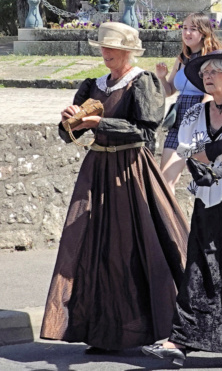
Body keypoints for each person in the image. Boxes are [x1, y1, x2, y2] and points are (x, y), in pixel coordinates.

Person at [42, 22, 188, 353]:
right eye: (103, 48)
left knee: (138, 247)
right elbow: (70, 134)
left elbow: (144, 132)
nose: (105, 53)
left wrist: (100, 123)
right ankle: (104, 332)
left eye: (112, 48)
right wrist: (71, 120)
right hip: (97, 171)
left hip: (131, 172)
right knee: (96, 249)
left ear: (127, 52)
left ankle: (167, 327)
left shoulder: (142, 81)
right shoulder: (93, 85)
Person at [142, 52, 222, 366]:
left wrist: (220, 162)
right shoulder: (195, 115)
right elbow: (192, 154)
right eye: (204, 72)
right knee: (200, 268)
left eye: (215, 71)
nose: (207, 76)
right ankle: (181, 341)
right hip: (207, 199)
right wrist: (210, 158)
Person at [155, 12, 222, 190]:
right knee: (164, 178)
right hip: (178, 119)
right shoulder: (181, 59)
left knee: (172, 179)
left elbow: (212, 91)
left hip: (199, 119)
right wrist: (162, 78)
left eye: (192, 29)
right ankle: (167, 216)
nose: (187, 33)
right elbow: (169, 90)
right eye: (184, 28)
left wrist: (199, 115)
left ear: (203, 33)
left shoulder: (211, 58)